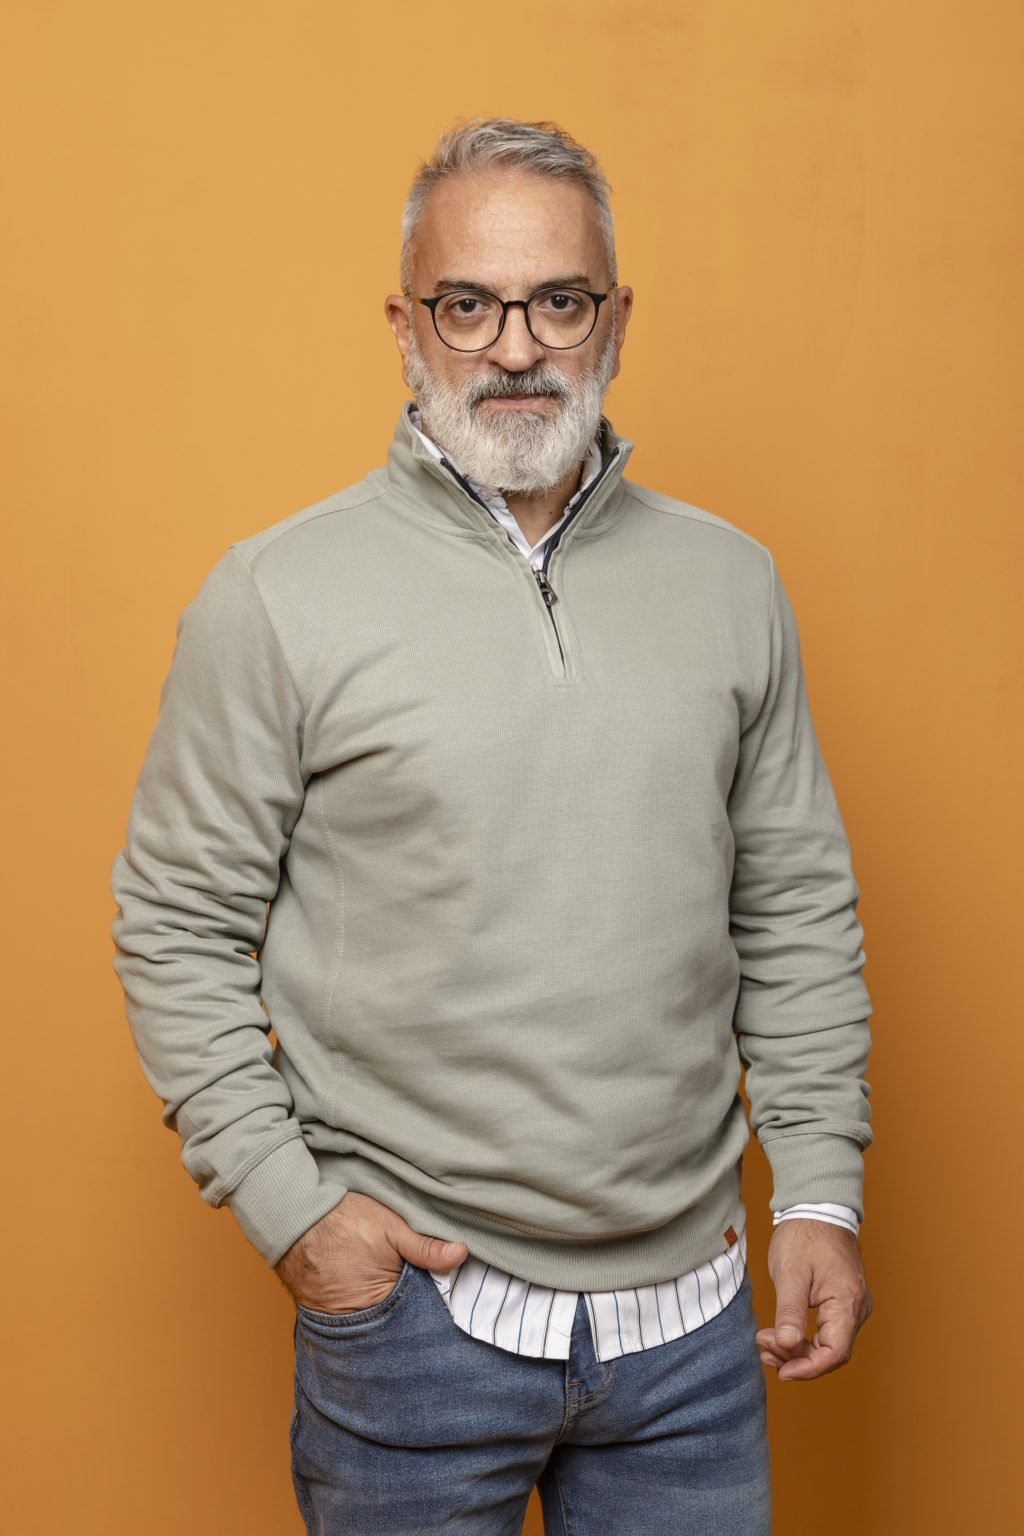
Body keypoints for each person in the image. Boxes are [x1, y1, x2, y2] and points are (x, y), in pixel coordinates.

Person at [109, 116, 874, 1534]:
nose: (515, 347)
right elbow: (174, 925)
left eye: (557, 301)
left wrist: (820, 1195)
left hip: (694, 1332)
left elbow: (794, 911)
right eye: (468, 304)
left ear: (616, 320)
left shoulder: (731, 583)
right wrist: (295, 1213)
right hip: (413, 1324)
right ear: (405, 327)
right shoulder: (276, 594)